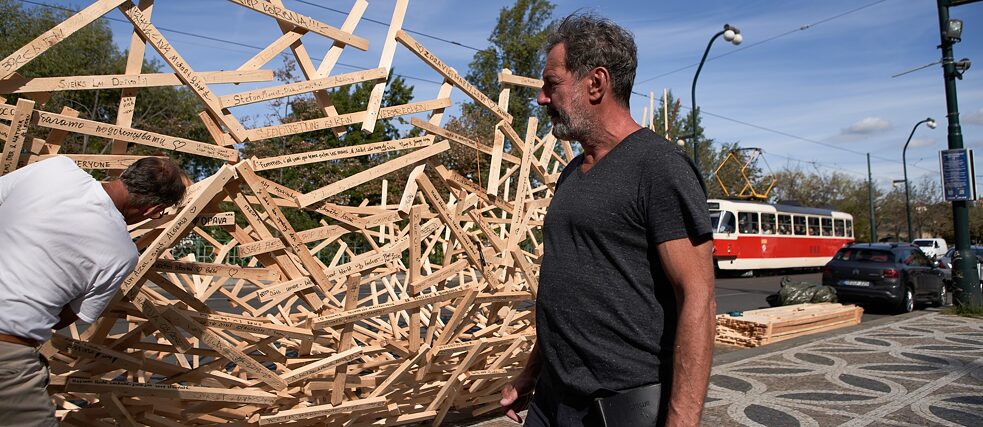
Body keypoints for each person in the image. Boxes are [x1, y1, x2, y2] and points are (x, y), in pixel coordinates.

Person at [501, 12, 716, 427]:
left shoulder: (659, 167)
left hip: (616, 408)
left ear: (595, 84)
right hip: (552, 398)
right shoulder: (572, 173)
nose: (542, 98)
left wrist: (682, 420)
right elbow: (569, 291)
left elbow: (699, 299)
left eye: (552, 84)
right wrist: (532, 371)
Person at [0, 155, 187, 426]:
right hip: (8, 351)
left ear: (125, 173)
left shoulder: (56, 168)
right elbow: (64, 318)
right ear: (150, 209)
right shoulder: (122, 253)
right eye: (159, 213)